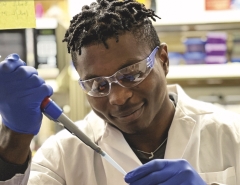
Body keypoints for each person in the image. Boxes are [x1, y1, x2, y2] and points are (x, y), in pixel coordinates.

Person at [0, 0, 239, 184]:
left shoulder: (231, 135)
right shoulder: (62, 156)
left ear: (163, 60)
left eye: (131, 74)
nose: (118, 97)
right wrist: (13, 138)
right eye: (98, 85)